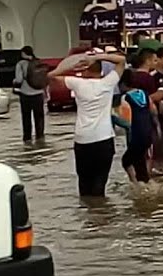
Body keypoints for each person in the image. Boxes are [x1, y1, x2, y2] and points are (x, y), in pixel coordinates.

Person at [49, 53, 126, 197]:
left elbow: (51, 76)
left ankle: (86, 210)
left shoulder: (77, 84)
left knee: (84, 184)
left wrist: (71, 64)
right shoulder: (108, 83)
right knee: (100, 184)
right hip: (104, 139)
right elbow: (121, 60)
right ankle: (100, 208)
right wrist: (97, 57)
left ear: (85, 69)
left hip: (83, 140)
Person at [117, 69, 157, 183]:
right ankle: (144, 182)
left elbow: (124, 119)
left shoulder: (125, 98)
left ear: (122, 84)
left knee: (127, 161)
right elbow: (153, 111)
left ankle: (136, 184)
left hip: (135, 135)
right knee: (140, 161)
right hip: (148, 133)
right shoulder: (144, 94)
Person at [12, 46, 48, 143]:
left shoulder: (20, 64)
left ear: (23, 53)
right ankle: (40, 138)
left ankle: (27, 139)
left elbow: (19, 80)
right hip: (39, 94)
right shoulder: (38, 62)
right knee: (39, 118)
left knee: (26, 118)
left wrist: (14, 81)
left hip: (26, 95)